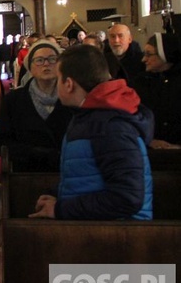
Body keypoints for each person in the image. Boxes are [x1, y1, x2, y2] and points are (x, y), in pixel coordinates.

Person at [30, 45, 153, 220]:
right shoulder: (92, 115)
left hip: (117, 235)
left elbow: (128, 198)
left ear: (69, 84)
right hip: (95, 227)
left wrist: (60, 209)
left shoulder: (110, 125)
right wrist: (60, 193)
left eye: (58, 79)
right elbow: (90, 173)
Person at [0, 40, 72, 172]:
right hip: (27, 172)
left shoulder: (72, 97)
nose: (46, 64)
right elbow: (2, 140)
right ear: (30, 68)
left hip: (66, 170)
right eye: (39, 60)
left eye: (52, 59)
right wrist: (35, 153)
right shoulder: (14, 100)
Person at [134, 33, 181, 149]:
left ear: (166, 55)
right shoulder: (141, 82)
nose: (144, 59)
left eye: (149, 54)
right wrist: (149, 140)